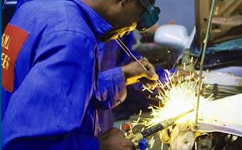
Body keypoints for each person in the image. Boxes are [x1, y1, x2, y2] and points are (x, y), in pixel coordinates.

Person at [1, 0, 160, 149]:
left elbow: (58, 98)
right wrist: (100, 146)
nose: (133, 27)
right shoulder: (72, 35)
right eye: (141, 18)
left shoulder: (37, 7)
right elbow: (25, 144)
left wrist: (122, 76)